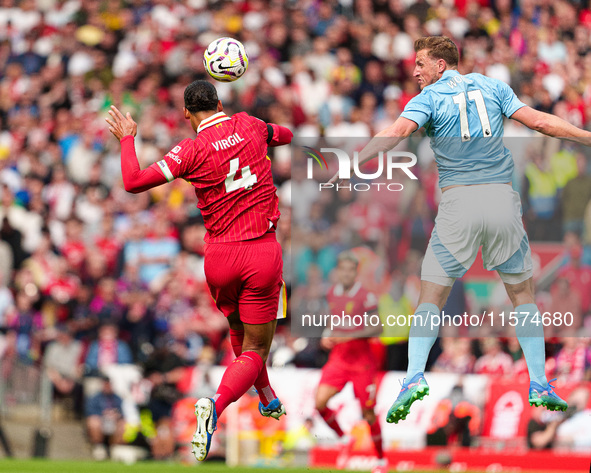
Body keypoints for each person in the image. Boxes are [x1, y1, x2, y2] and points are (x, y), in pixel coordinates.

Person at [330, 36, 591, 423]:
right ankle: (539, 381)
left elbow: (397, 133)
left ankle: (414, 377)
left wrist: (353, 161)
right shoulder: (493, 86)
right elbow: (539, 121)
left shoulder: (428, 98)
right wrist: (588, 138)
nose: (415, 71)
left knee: (430, 298)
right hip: (502, 200)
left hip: (459, 206)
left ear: (440, 65)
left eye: (420, 63)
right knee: (523, 297)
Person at [105, 79, 293, 461]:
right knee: (258, 347)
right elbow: (286, 135)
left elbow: (133, 182)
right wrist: (267, 135)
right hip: (259, 251)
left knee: (240, 334)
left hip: (219, 257)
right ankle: (216, 405)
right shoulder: (250, 125)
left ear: (186, 114)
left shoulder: (189, 150)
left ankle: (266, 394)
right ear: (220, 101)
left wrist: (128, 138)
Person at [315, 252, 386, 473]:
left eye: (350, 270)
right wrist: (326, 335)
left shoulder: (366, 297)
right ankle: (344, 437)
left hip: (362, 364)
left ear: (356, 273)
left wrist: (350, 335)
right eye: (342, 269)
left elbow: (378, 328)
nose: (345, 273)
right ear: (337, 271)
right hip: (338, 359)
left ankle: (381, 459)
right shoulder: (331, 294)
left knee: (368, 414)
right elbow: (332, 322)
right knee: (319, 403)